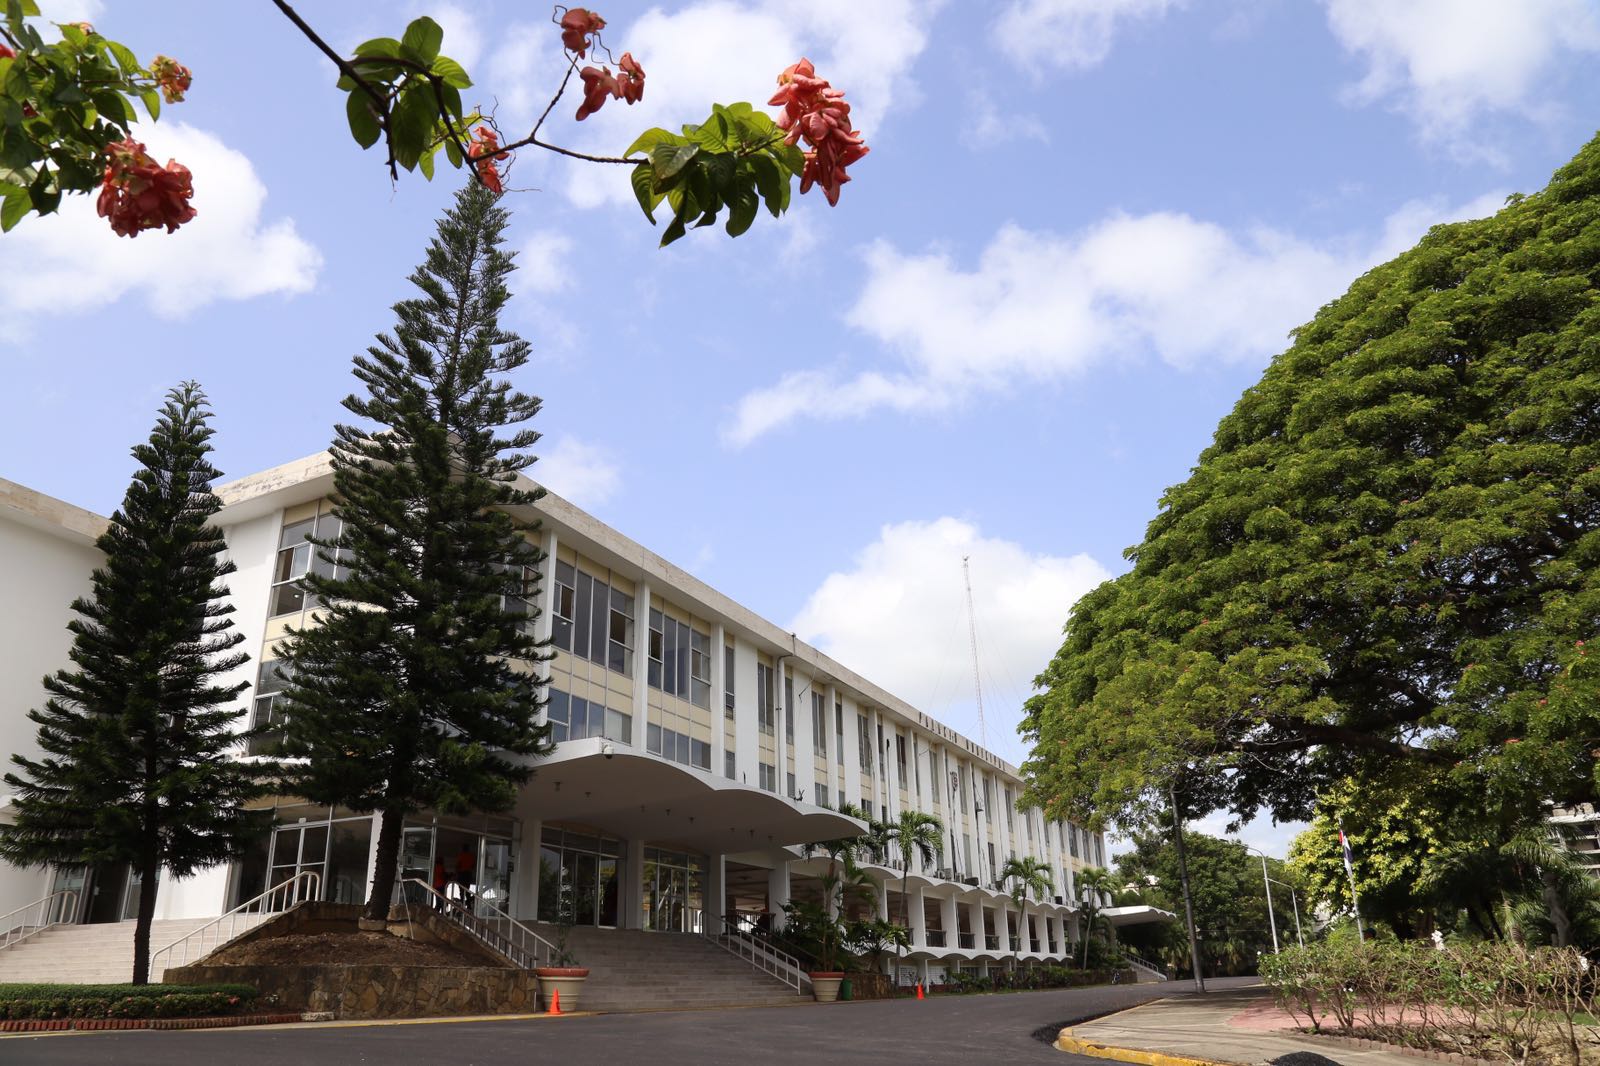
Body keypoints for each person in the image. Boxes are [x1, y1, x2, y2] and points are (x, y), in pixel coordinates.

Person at [454, 844, 475, 909]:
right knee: (466, 890)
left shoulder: (461, 855)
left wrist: (456, 874)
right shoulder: (471, 856)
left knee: (462, 890)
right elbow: (473, 866)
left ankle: (463, 905)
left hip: (462, 874)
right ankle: (468, 905)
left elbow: (458, 865)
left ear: (463, 849)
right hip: (468, 874)